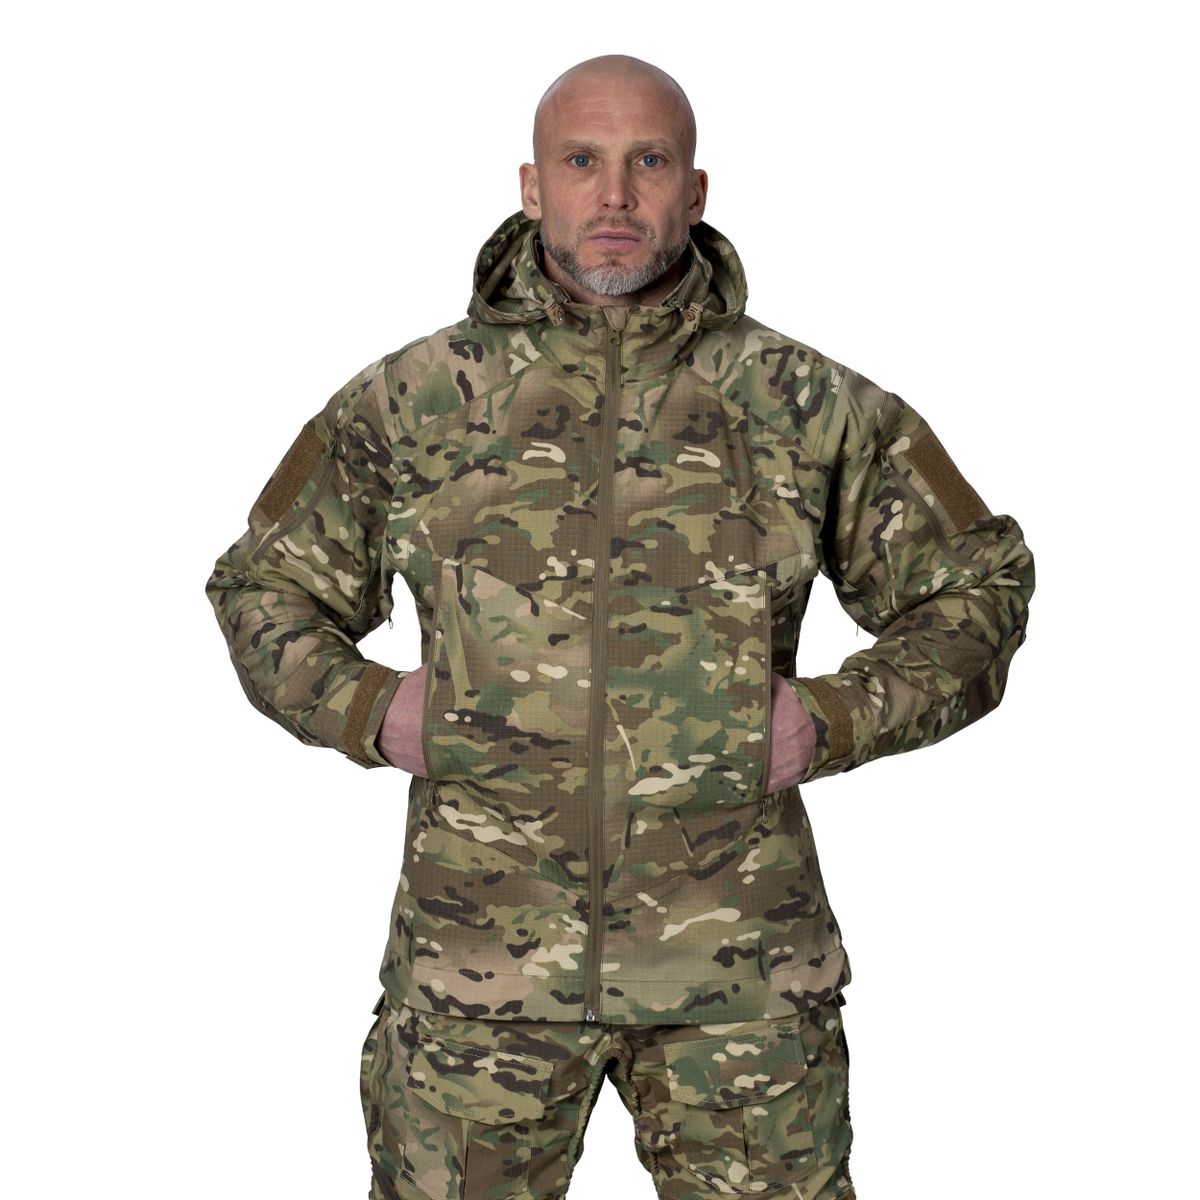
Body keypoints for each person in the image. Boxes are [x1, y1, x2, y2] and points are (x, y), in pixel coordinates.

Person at [206, 53, 1035, 1200]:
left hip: (738, 981)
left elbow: (981, 586)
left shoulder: (801, 403)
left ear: (694, 191)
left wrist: (834, 719)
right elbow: (262, 585)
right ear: (530, 186)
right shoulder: (418, 401)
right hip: (479, 977)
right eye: (580, 161)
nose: (613, 194)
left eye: (648, 161)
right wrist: (367, 707)